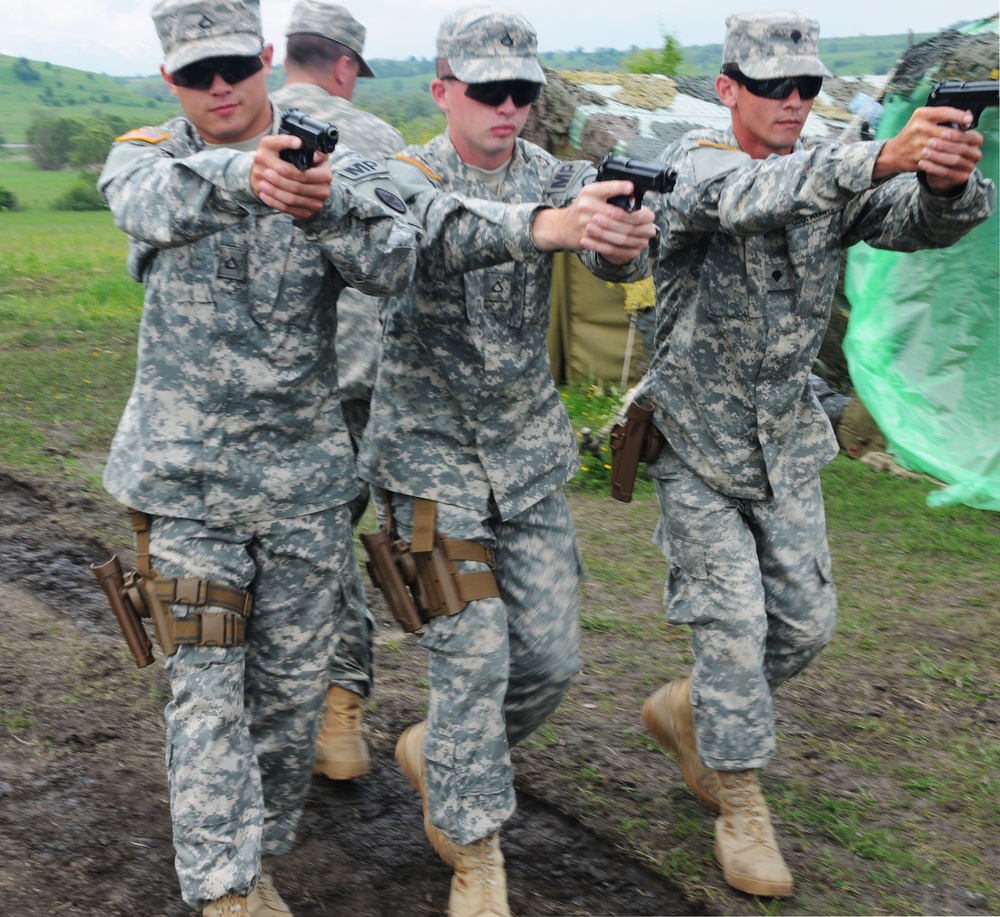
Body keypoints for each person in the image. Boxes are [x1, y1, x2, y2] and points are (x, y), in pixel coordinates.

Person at [634, 8, 995, 899]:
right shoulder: (694, 161)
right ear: (727, 90)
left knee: (804, 625)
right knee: (731, 628)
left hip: (787, 440)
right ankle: (740, 801)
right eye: (773, 87)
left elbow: (912, 222)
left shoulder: (832, 169)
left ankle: (688, 712)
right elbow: (756, 197)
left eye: (808, 86)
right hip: (696, 440)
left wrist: (946, 182)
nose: (795, 101)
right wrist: (880, 154)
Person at [96, 0, 423, 913]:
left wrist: (322, 210)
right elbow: (143, 204)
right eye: (196, 74)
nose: (219, 87)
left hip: (304, 488)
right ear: (171, 81)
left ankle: (259, 847)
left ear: (267, 59)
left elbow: (395, 257)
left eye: (234, 66)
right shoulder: (149, 153)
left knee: (286, 705)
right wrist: (248, 175)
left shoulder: (337, 156)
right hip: (185, 484)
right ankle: (226, 889)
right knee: (206, 691)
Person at [356, 6, 656, 915]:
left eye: (524, 91)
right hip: (426, 472)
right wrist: (548, 227)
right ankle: (477, 846)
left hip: (525, 464)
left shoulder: (560, 175)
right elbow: (430, 230)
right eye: (489, 90)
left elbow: (607, 243)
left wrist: (617, 235)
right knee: (473, 657)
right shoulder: (400, 174)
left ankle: (443, 753)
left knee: (553, 662)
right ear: (443, 88)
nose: (508, 108)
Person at [270, 0, 406, 783]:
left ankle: (294, 700)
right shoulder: (378, 140)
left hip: (259, 383)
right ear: (347, 65)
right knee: (329, 533)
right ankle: (340, 709)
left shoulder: (237, 131)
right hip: (354, 377)